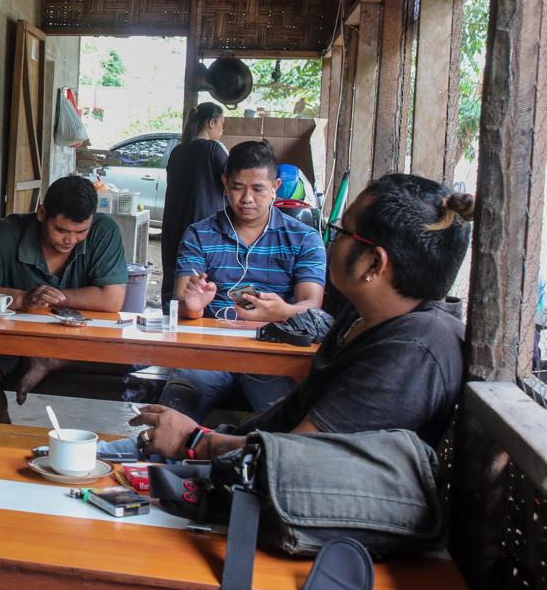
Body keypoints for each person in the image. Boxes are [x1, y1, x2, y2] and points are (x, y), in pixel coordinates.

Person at [132, 174, 474, 460]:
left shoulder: (409, 355)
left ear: (374, 263)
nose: (332, 242)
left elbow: (296, 457)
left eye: (342, 233)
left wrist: (194, 440)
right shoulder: (366, 318)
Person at [160, 140, 326, 422]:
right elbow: (182, 302)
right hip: (208, 354)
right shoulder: (199, 234)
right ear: (224, 183)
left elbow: (312, 304)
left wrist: (282, 312)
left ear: (275, 188)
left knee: (287, 427)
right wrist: (194, 306)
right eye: (238, 187)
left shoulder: (304, 238)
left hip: (272, 354)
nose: (247, 198)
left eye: (258, 189)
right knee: (171, 416)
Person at [0, 176, 128, 423]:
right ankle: (4, 439)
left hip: (77, 341)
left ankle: (51, 360)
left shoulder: (104, 231)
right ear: (42, 213)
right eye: (62, 230)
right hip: (11, 339)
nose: (70, 240)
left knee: (131, 358)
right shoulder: (6, 233)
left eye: (81, 232)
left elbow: (112, 299)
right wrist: (23, 298)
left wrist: (53, 298)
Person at [160, 101, 227, 306]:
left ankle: (168, 320)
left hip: (173, 226)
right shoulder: (213, 150)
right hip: (201, 227)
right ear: (211, 122)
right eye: (222, 124)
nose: (223, 130)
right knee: (198, 283)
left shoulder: (178, 151)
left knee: (173, 278)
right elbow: (233, 181)